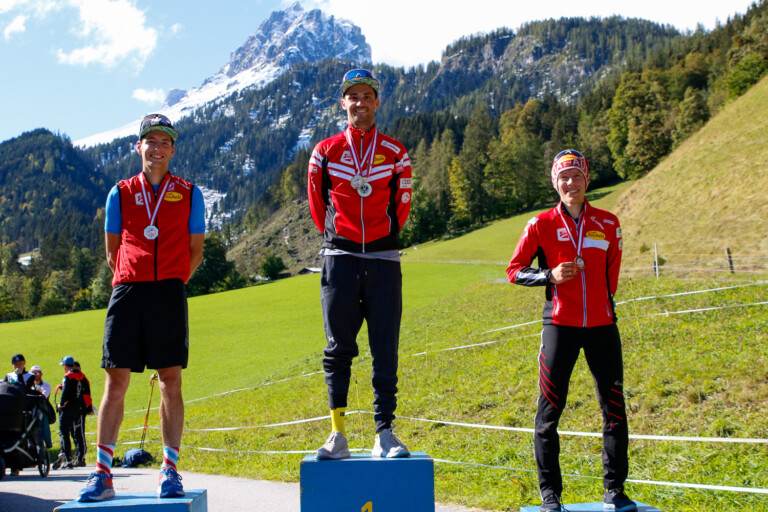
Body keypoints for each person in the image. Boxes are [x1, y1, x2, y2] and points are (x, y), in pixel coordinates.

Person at [77, 114, 205, 502]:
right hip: (128, 290)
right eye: (150, 140)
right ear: (139, 147)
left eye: (165, 141)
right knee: (114, 380)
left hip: (168, 290)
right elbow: (110, 251)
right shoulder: (120, 191)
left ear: (172, 149)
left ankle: (169, 471)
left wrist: (172, 278)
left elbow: (195, 250)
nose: (157, 147)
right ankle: (103, 474)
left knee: (170, 379)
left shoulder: (188, 192)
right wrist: (133, 275)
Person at [506, 150, 636, 512]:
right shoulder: (540, 224)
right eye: (564, 177)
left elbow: (612, 277)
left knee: (614, 410)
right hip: (559, 326)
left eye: (577, 176)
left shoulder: (609, 224)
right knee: (548, 414)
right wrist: (549, 275)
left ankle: (615, 490)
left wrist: (601, 305)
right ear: (555, 182)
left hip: (602, 327)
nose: (570, 183)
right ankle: (550, 496)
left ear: (586, 180)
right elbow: (514, 270)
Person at [308, 69, 412, 460]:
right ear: (343, 103)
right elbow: (317, 203)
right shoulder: (325, 150)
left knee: (385, 348)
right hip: (341, 259)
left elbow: (402, 203)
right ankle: (337, 435)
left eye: (367, 96)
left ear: (376, 102)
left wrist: (382, 239)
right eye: (353, 96)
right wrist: (339, 238)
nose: (360, 103)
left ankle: (385, 433)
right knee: (338, 348)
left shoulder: (395, 151)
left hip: (384, 259)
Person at [55, 355, 91, 470]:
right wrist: (88, 407)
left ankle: (69, 460)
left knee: (64, 433)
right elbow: (86, 392)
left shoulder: (68, 376)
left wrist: (61, 403)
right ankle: (80, 457)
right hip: (79, 408)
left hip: (68, 408)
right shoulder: (82, 377)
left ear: (65, 366)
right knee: (78, 432)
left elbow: (65, 392)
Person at [73, 361, 94, 466]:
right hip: (73, 409)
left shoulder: (83, 379)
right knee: (74, 433)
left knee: (79, 432)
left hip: (81, 409)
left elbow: (87, 394)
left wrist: (89, 407)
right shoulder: (70, 378)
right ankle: (77, 455)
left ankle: (81, 457)